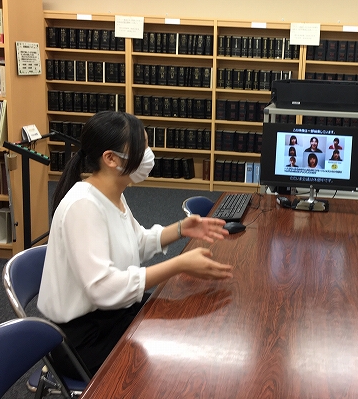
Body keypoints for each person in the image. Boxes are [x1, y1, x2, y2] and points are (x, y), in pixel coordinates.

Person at [37, 111, 233, 377]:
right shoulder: (83, 206)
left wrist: (180, 229)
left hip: (112, 314)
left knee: (190, 323)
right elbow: (103, 288)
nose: (148, 155)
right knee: (173, 362)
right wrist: (178, 265)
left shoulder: (112, 194)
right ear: (111, 159)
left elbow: (136, 243)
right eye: (142, 148)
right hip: (83, 339)